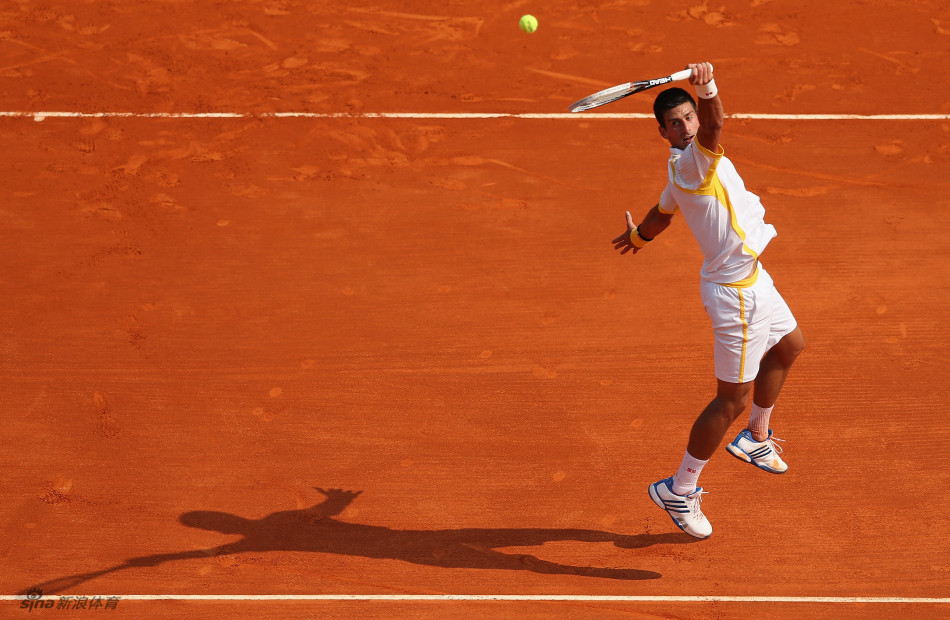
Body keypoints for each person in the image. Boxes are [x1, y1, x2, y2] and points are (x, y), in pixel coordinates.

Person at [611, 62, 805, 539]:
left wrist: (638, 236)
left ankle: (756, 438)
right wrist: (708, 85)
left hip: (755, 278)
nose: (685, 125)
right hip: (734, 298)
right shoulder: (697, 158)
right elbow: (716, 123)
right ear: (663, 132)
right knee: (730, 398)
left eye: (688, 117)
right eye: (675, 122)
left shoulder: (686, 169)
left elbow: (662, 212)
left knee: (789, 346)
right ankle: (680, 488)